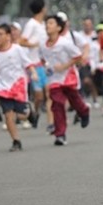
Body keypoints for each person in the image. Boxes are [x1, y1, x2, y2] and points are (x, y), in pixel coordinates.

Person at [0, 24, 37, 151]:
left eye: (0, 34)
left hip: (18, 85)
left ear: (8, 36)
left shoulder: (17, 49)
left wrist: (33, 73)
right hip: (2, 87)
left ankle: (28, 111)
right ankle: (16, 141)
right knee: (8, 116)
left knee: (21, 116)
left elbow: (28, 64)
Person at [41, 15, 91, 145]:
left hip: (69, 76)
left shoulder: (65, 42)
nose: (48, 26)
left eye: (51, 23)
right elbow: (42, 59)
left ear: (58, 27)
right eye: (46, 23)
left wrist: (64, 66)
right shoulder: (43, 45)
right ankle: (60, 135)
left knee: (74, 100)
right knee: (57, 105)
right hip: (54, 79)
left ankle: (84, 111)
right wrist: (46, 66)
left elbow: (78, 56)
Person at [19, 0, 49, 129]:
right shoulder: (31, 24)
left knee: (49, 93)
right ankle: (35, 113)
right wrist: (33, 44)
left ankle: (52, 121)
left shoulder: (44, 25)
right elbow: (22, 41)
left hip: (43, 64)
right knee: (39, 97)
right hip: (33, 65)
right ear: (42, 9)